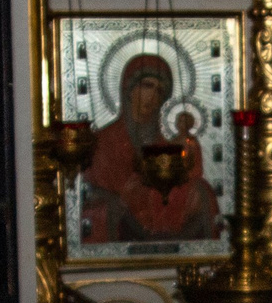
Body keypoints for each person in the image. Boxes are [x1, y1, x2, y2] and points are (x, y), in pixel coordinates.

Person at [81, 53, 221, 245]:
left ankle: (193, 253)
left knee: (203, 192)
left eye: (160, 91)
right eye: (147, 86)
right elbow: (88, 194)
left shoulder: (165, 145)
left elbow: (182, 179)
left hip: (162, 219)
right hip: (122, 224)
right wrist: (123, 197)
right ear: (129, 89)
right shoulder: (102, 142)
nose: (153, 96)